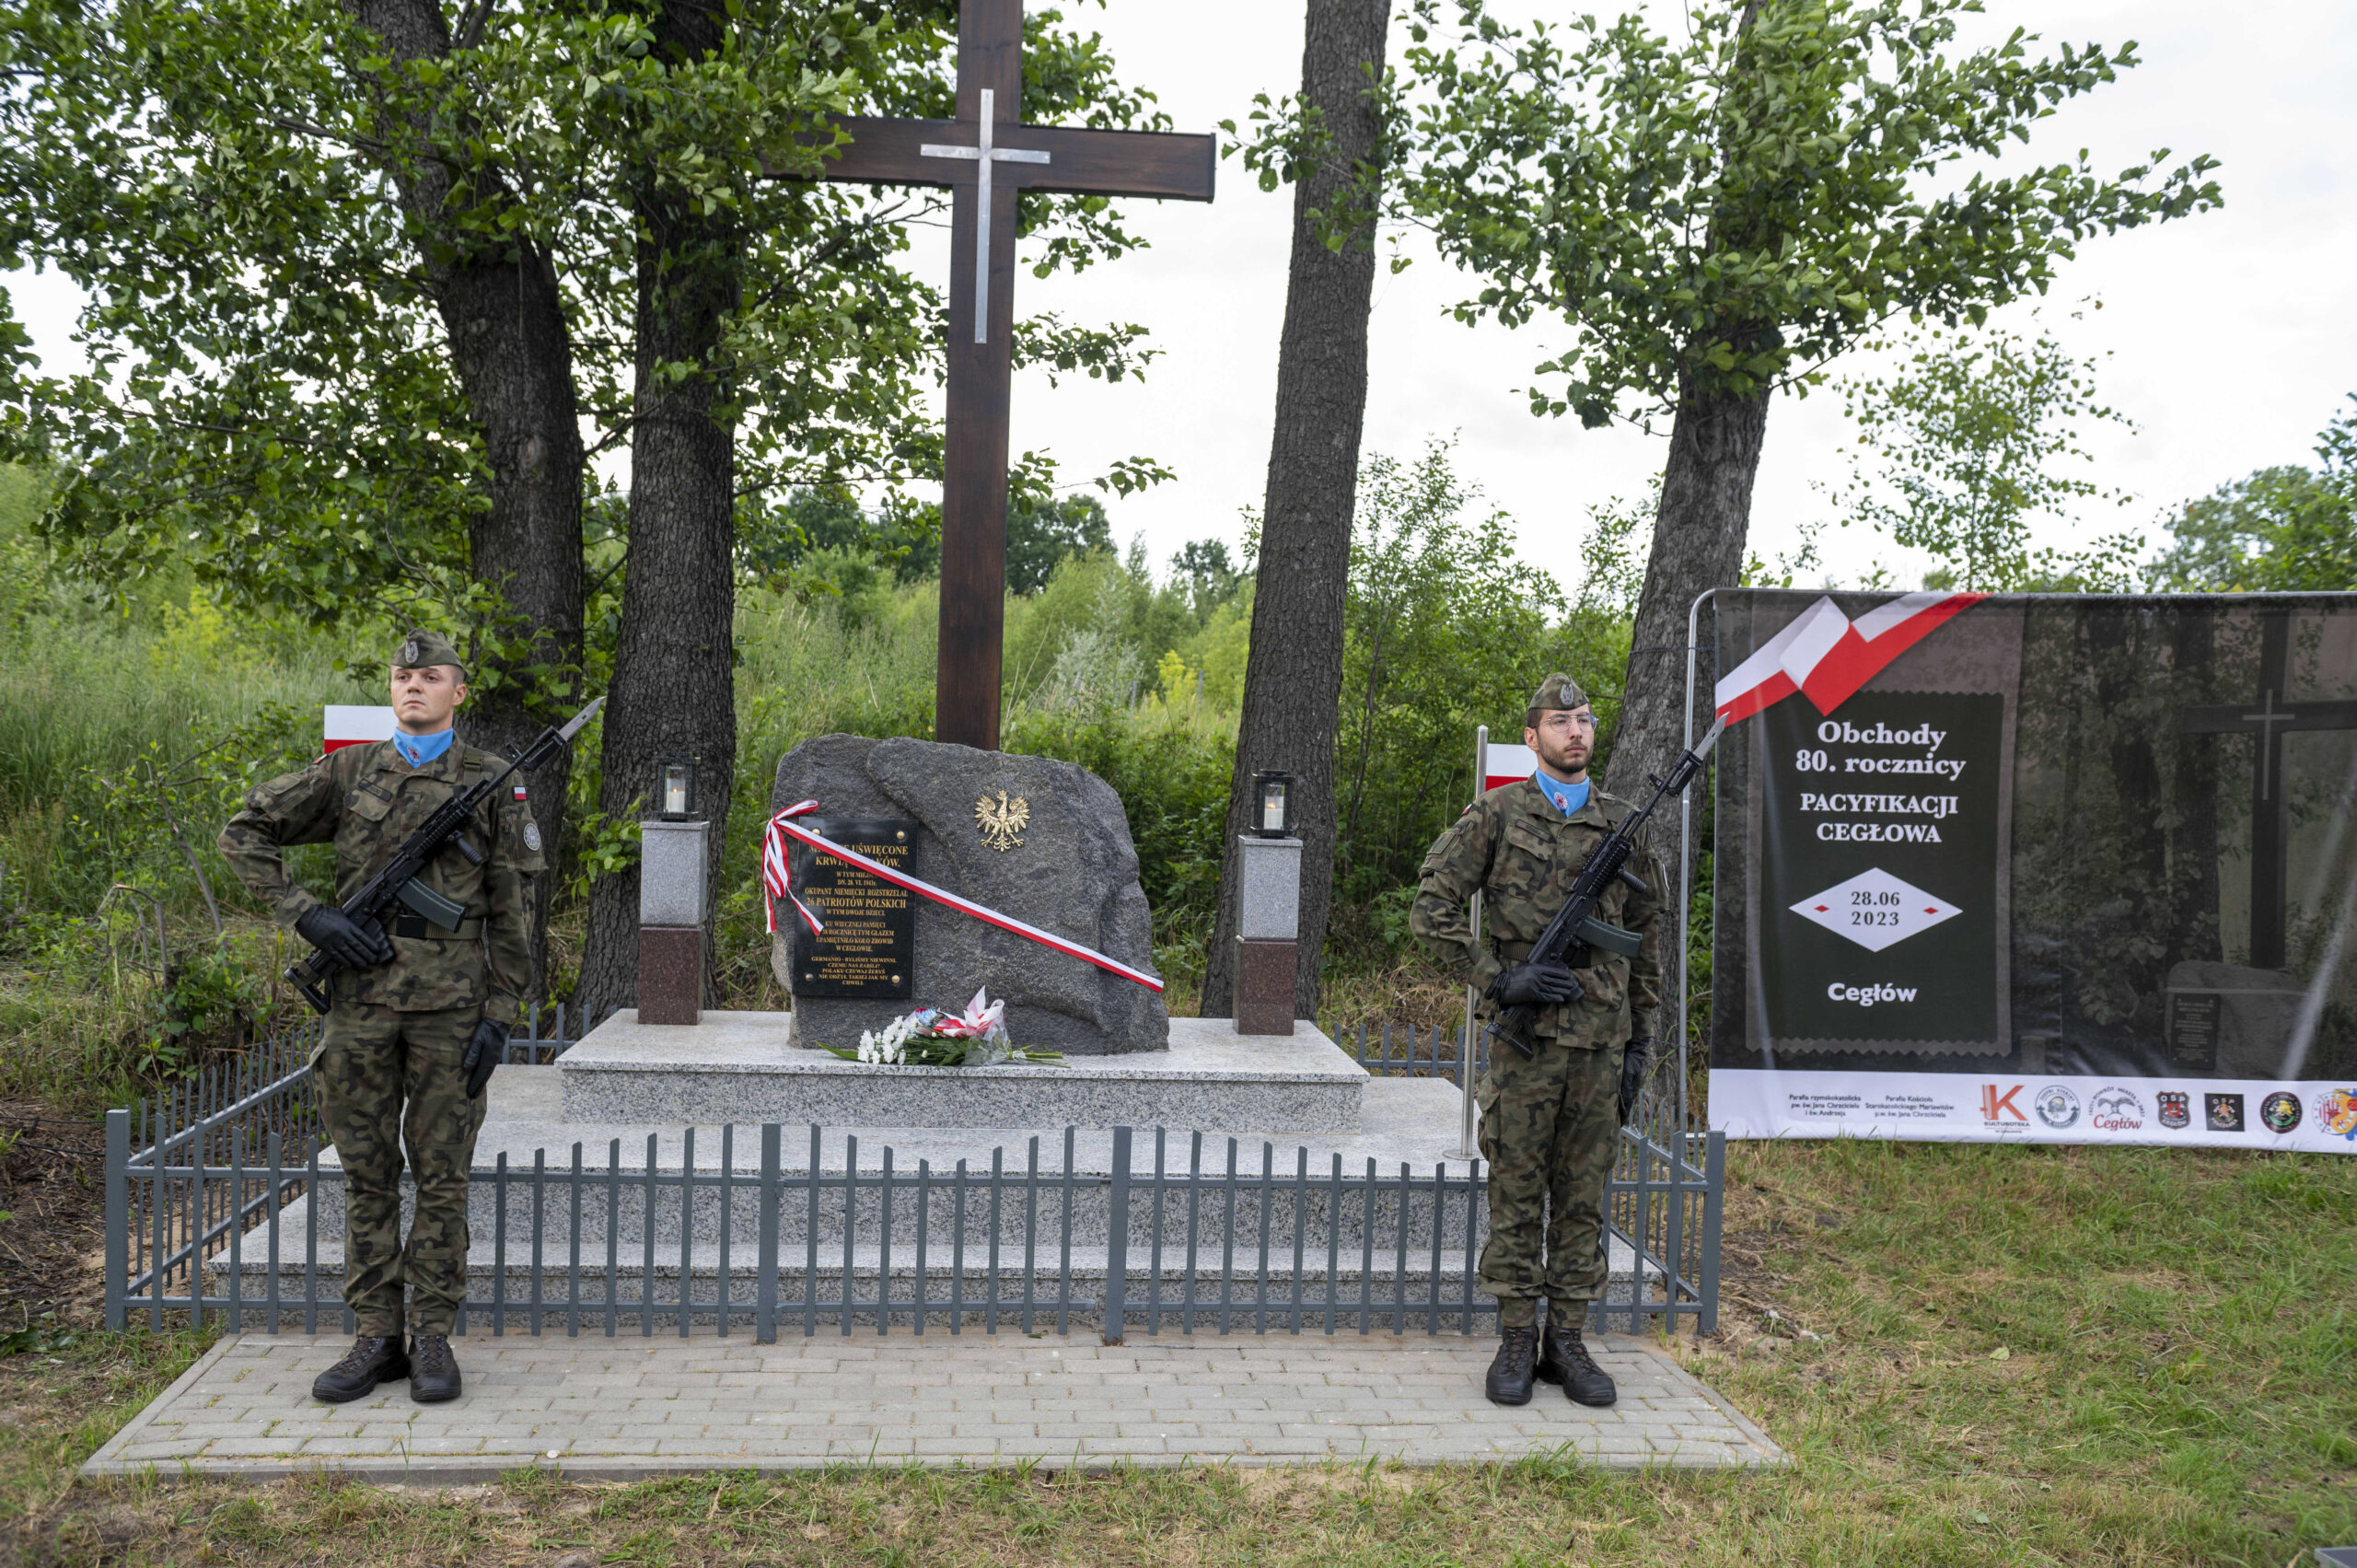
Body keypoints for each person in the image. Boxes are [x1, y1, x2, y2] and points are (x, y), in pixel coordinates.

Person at [219, 629, 544, 1403]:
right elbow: (243, 835)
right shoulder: (350, 768)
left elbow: (515, 905)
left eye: (431, 676)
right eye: (403, 675)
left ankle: (432, 1336)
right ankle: (376, 1337)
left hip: (451, 1013)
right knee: (367, 1176)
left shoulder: (492, 781)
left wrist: (501, 1012)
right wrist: (310, 916)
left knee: (441, 1178)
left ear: (459, 692)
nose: (413, 686)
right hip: (360, 1010)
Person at [1409, 672, 1663, 1407]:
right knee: (1517, 1194)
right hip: (1524, 1051)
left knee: (1582, 1199)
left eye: (1584, 719)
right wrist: (1499, 979)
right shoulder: (1495, 814)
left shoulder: (1624, 825)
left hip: (1599, 1048)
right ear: (1532, 738)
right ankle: (1517, 1335)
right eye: (1560, 720)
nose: (1576, 730)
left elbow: (1648, 942)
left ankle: (1570, 1341)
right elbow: (1431, 910)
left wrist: (1641, 1043)